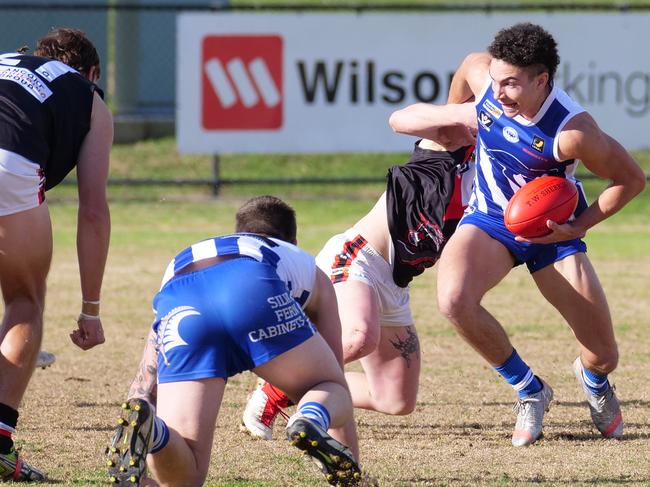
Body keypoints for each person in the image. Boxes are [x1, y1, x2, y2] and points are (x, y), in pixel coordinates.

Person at [419, 22, 645, 446]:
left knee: (605, 354)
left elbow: (631, 180)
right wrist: (454, 136)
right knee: (453, 300)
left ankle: (594, 381)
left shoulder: (572, 131)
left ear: (541, 80)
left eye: (511, 84)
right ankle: (529, 389)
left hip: (551, 234)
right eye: (497, 80)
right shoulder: (483, 77)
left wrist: (579, 225)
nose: (498, 92)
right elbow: (468, 70)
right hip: (489, 218)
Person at [241, 106, 476, 445]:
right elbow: (401, 119)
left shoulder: (503, 172)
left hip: (395, 282)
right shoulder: (455, 137)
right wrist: (468, 111)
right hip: (359, 256)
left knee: (395, 399)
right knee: (359, 337)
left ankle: (303, 388)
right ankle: (274, 388)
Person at [107, 196, 372, 487]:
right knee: (331, 387)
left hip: (180, 299)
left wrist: (140, 407)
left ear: (239, 230)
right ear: (292, 240)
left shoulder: (185, 258)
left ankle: (155, 433)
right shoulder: (299, 260)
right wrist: (350, 473)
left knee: (187, 477)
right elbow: (334, 375)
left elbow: (148, 371)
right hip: (252, 284)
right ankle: (309, 418)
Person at [0, 27, 112, 481]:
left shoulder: (7, 58)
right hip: (9, 164)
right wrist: (90, 310)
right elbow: (93, 213)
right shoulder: (88, 96)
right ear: (91, 72)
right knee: (25, 300)